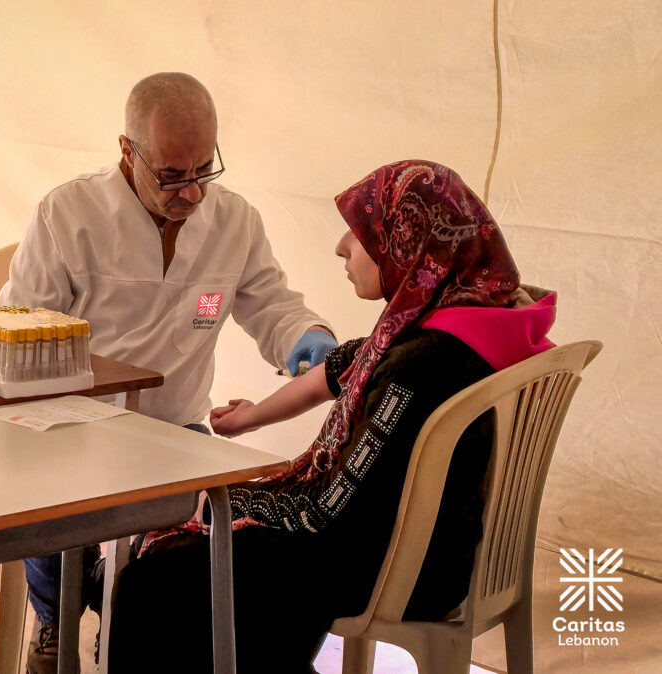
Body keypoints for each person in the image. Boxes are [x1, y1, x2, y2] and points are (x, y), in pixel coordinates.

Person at [107, 159, 558, 672]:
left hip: (402, 567)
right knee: (203, 546)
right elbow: (339, 368)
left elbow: (327, 511)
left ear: (406, 244)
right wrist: (251, 418)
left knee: (160, 573)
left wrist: (219, 505)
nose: (342, 247)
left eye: (360, 234)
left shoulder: (420, 366)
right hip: (434, 544)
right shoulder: (468, 320)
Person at [0, 72, 336, 673]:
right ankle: (54, 622)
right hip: (75, 426)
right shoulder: (69, 213)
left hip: (175, 431)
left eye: (205, 170)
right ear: (127, 151)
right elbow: (22, 330)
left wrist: (306, 337)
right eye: (173, 175)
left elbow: (272, 305)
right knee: (51, 517)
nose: (193, 192)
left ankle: (127, 629)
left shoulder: (235, 222)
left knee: (184, 560)